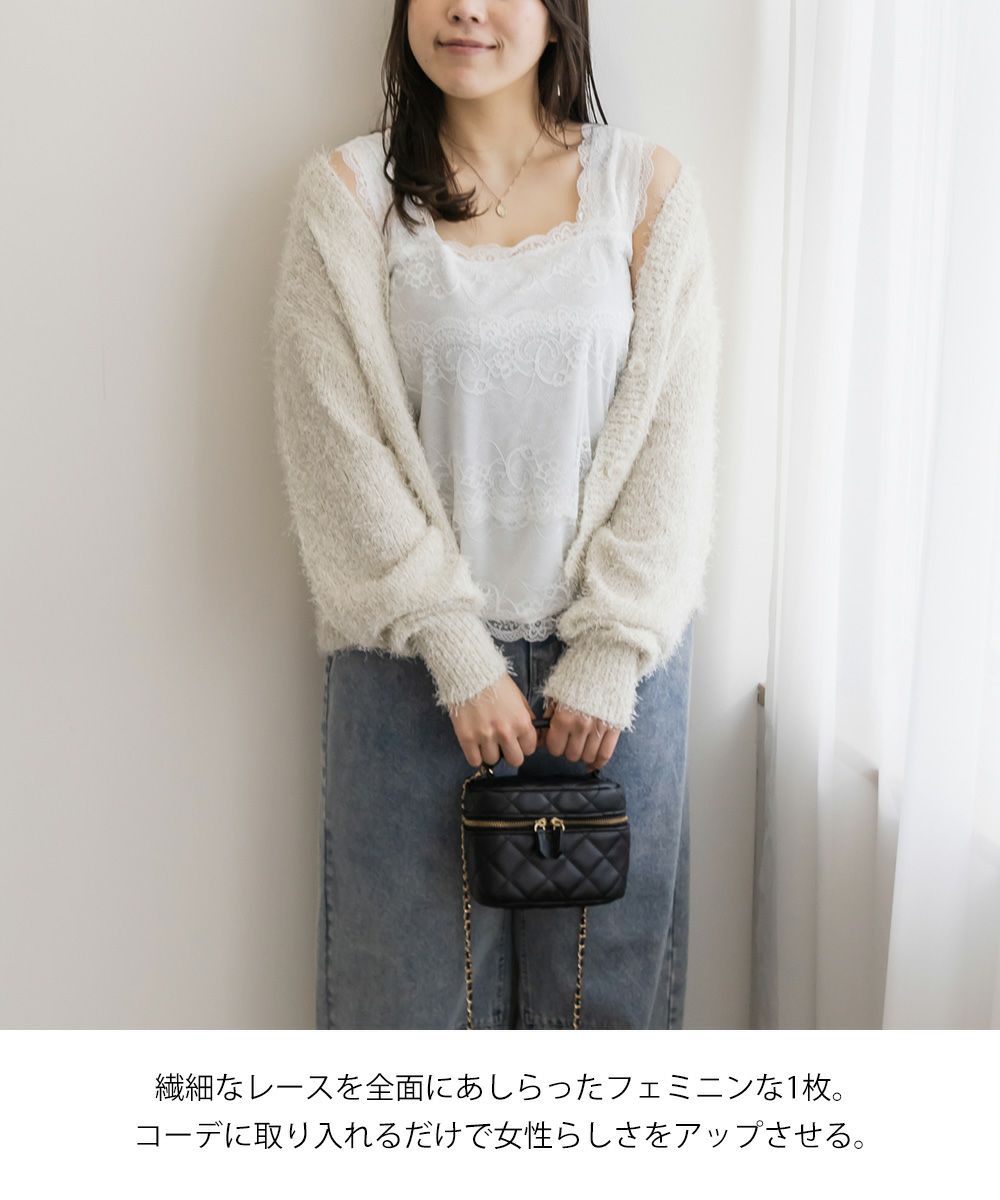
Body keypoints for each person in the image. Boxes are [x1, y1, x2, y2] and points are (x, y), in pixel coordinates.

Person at [270, 0, 722, 1029]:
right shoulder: (348, 194)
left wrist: (611, 651)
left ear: (558, 16)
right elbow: (336, 449)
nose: (466, 8)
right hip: (410, 672)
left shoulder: (646, 188)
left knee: (601, 1030)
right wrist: (456, 651)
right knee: (408, 1022)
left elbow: (676, 443)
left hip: (613, 681)